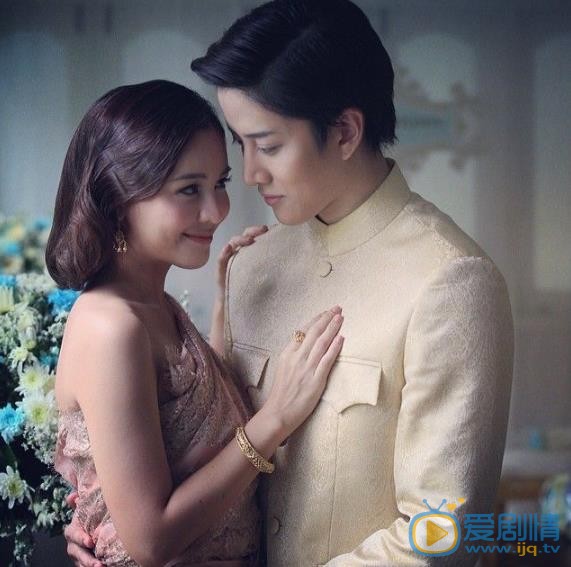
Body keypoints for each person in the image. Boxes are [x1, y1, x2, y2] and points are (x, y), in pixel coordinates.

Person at [66, 0, 514, 565]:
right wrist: (105, 521)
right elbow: (199, 456)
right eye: (242, 145)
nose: (251, 174)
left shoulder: (450, 281)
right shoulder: (251, 265)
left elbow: (441, 532)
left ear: (345, 132)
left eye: (270, 145)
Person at [48, 79, 345, 567]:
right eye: (189, 189)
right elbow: (151, 542)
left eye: (220, 183)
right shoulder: (111, 327)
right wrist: (275, 420)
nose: (216, 211)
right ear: (117, 198)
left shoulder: (155, 304)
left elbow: (194, 427)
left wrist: (228, 302)